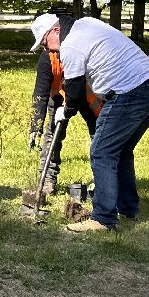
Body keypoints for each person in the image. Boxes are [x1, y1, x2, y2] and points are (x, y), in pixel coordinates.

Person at [30, 12, 149, 233]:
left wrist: (66, 110)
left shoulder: (71, 45)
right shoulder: (88, 24)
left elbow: (73, 91)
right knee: (120, 151)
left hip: (130, 93)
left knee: (102, 152)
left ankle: (103, 218)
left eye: (45, 43)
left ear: (55, 31)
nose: (48, 50)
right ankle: (128, 209)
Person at [27, 10, 98, 196]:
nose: (44, 48)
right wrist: (35, 126)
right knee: (52, 136)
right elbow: (40, 94)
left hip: (88, 95)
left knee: (99, 135)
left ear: (53, 33)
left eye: (43, 42)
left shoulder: (77, 44)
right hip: (59, 97)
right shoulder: (46, 59)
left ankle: (102, 181)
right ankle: (47, 180)